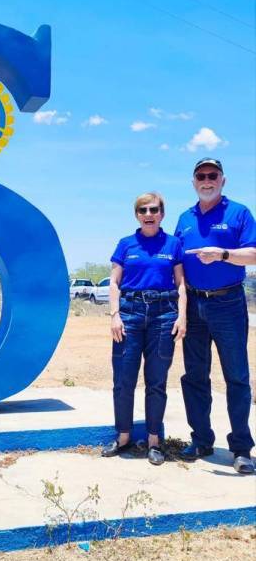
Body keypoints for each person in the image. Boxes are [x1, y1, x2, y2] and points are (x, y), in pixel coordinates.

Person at [175, 158, 256, 474]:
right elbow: (176, 263)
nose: (206, 180)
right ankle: (201, 440)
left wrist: (222, 254)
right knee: (195, 375)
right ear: (193, 182)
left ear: (223, 180)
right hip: (194, 304)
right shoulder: (184, 218)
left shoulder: (239, 213)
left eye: (212, 175)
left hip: (228, 303)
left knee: (236, 376)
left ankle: (241, 448)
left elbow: (253, 253)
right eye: (201, 176)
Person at [102, 192, 186, 465]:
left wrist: (182, 317)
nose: (148, 214)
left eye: (153, 209)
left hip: (164, 315)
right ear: (137, 215)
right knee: (123, 380)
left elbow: (181, 284)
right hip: (130, 314)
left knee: (156, 381)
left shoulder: (173, 244)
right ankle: (123, 437)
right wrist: (115, 315)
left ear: (162, 213)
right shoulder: (126, 244)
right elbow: (114, 282)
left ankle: (153, 441)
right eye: (143, 210)